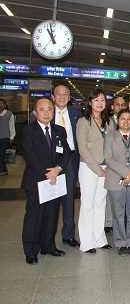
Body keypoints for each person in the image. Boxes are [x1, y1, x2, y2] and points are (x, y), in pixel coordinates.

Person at [21, 98, 70, 264]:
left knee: (52, 214)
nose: (46, 112)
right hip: (36, 180)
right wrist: (46, 174)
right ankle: (31, 250)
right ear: (35, 113)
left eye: (49, 109)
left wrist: (58, 170)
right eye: (42, 109)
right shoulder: (28, 131)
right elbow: (29, 155)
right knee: (34, 216)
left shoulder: (59, 130)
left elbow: (67, 152)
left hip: (55, 179)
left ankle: (48, 246)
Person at [103, 109, 130, 256]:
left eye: (129, 119)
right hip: (115, 179)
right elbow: (109, 159)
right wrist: (127, 174)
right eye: (123, 119)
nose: (126, 121)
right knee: (118, 214)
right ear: (118, 120)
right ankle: (121, 243)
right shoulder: (110, 137)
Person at [77, 89, 115, 253]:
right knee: (87, 203)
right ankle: (86, 242)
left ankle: (99, 238)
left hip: (107, 168)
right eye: (96, 100)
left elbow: (114, 144)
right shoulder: (83, 121)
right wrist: (97, 168)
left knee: (101, 203)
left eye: (102, 100)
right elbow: (83, 148)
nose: (99, 103)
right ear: (90, 103)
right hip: (89, 167)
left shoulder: (109, 122)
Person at [52, 85, 82, 248]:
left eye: (65, 94)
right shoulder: (47, 113)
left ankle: (68, 234)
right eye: (58, 94)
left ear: (69, 97)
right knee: (50, 197)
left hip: (70, 159)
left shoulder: (76, 114)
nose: (62, 97)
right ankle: (47, 234)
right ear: (53, 97)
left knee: (69, 197)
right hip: (51, 160)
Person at [105, 96, 126, 233]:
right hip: (111, 163)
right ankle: (108, 223)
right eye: (117, 105)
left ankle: (123, 222)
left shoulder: (129, 121)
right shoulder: (106, 121)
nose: (120, 107)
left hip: (127, 164)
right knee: (110, 195)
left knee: (125, 195)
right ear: (113, 107)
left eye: (122, 104)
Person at [0, 98, 16, 176]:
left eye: (2, 104)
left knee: (1, 154)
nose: (0, 106)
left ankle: (3, 170)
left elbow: (12, 126)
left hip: (5, 137)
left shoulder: (9, 114)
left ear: (5, 105)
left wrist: (12, 137)